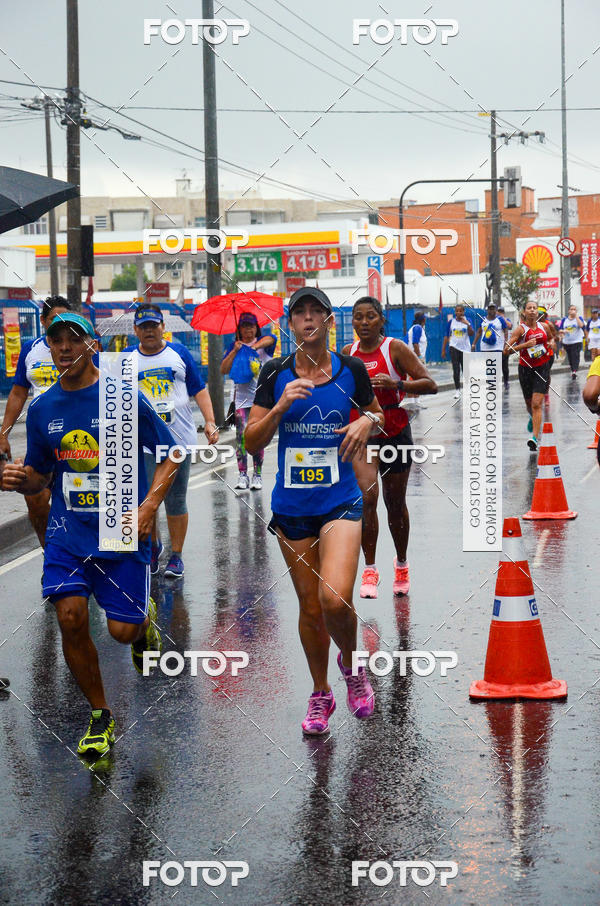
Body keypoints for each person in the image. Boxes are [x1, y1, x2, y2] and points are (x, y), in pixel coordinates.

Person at [0, 313, 179, 757]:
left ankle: (144, 622)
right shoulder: (43, 410)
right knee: (71, 617)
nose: (63, 348)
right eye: (55, 340)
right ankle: (100, 714)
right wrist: (20, 480)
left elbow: (171, 453)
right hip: (68, 533)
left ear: (90, 345)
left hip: (121, 528)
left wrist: (149, 506)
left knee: (122, 631)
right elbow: (41, 477)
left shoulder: (120, 396)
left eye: (72, 339)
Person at [245, 287, 384, 736]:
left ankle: (351, 663)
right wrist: (281, 404)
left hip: (340, 501)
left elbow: (377, 414)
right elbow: (251, 441)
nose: (308, 319)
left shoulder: (353, 369)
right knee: (310, 608)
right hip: (292, 509)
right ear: (290, 324)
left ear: (328, 321)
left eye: (315, 312)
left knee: (334, 598)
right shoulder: (274, 372)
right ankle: (321, 691)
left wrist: (366, 420)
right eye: (299, 313)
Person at [342, 297, 437, 599]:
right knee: (367, 498)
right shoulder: (348, 353)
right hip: (364, 431)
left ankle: (402, 564)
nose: (364, 322)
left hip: (395, 429)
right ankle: (369, 570)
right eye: (358, 317)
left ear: (382, 320)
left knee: (394, 504)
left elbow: (430, 383)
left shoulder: (394, 348)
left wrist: (397, 385)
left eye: (371, 316)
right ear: (353, 322)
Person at [125, 303, 218, 579]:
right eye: (144, 327)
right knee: (146, 499)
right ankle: (152, 548)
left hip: (179, 441)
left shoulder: (179, 353)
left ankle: (176, 556)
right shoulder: (127, 359)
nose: (149, 331)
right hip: (142, 443)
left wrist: (210, 421)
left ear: (162, 327)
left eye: (153, 325)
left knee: (175, 500)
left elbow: (199, 390)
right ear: (135, 331)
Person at [0, 296, 72, 547]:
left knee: (77, 499)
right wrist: (4, 434)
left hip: (77, 438)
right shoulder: (31, 349)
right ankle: (50, 555)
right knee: (36, 501)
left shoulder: (80, 348)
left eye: (65, 320)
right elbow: (19, 392)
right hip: (41, 438)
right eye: (54, 320)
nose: (60, 325)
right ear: (43, 322)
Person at [220, 311, 276, 490]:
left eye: (251, 326)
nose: (248, 330)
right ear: (239, 329)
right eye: (244, 326)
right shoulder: (233, 346)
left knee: (257, 439)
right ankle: (242, 475)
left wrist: (252, 347)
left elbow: (271, 339)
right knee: (241, 439)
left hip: (261, 401)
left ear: (256, 328)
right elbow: (223, 369)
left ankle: (257, 475)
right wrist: (236, 351)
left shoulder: (263, 345)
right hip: (242, 402)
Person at [505, 299, 553, 451]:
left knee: (536, 403)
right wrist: (525, 345)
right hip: (525, 368)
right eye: (529, 308)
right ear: (524, 312)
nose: (532, 310)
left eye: (534, 308)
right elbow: (506, 350)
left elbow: (551, 338)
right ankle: (533, 418)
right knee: (528, 403)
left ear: (537, 312)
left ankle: (534, 438)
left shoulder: (544, 326)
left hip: (542, 367)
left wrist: (552, 344)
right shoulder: (520, 330)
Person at [441, 303, 474, 398]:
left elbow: (471, 333)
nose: (459, 312)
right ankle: (457, 390)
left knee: (466, 370)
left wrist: (467, 324)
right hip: (454, 347)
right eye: (457, 311)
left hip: (465, 349)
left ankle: (467, 389)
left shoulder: (468, 320)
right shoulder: (451, 322)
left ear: (463, 311)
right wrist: (443, 350)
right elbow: (446, 336)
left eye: (460, 311)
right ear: (455, 312)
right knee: (456, 369)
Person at [404, 311, 428, 409]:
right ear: (423, 319)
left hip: (412, 356)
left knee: (416, 380)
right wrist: (418, 358)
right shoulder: (417, 328)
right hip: (414, 357)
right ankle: (412, 403)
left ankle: (416, 402)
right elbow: (415, 343)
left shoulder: (415, 328)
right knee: (413, 380)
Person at [558, 304, 586, 378]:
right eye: (571, 309)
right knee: (570, 357)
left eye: (574, 309)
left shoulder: (579, 318)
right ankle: (573, 370)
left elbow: (581, 326)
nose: (573, 311)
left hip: (577, 341)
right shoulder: (564, 320)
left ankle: (574, 371)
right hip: (567, 342)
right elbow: (560, 329)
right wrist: (563, 331)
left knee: (575, 356)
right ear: (568, 311)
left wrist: (576, 316)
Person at [497, 307, 512, 388]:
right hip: (496, 346)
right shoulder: (496, 320)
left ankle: (506, 382)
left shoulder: (507, 320)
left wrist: (503, 318)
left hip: (505, 346)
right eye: (499, 312)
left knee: (505, 366)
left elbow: (510, 326)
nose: (500, 313)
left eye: (501, 312)